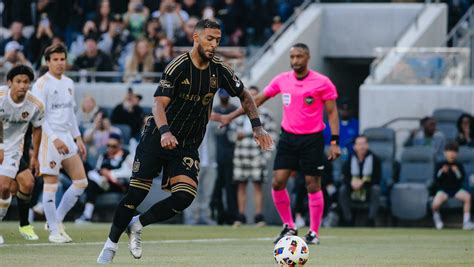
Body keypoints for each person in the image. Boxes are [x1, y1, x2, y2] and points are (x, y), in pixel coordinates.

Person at [97, 19, 272, 264]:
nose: (214, 44)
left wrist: (257, 127)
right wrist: (166, 132)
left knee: (185, 196)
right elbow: (158, 104)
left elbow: (245, 95)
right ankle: (110, 245)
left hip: (187, 144)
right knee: (136, 193)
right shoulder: (177, 66)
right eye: (209, 38)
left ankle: (137, 224)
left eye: (218, 40)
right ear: (196, 37)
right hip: (158, 136)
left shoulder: (220, 69)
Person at [215, 43, 341, 245]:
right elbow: (257, 100)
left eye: (299, 57)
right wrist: (231, 116)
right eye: (292, 57)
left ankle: (314, 232)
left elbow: (333, 112)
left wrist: (335, 141)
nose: (295, 61)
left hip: (312, 139)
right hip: (288, 138)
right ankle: (289, 226)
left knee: (312, 184)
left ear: (307, 57)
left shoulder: (322, 82)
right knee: (277, 182)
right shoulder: (282, 80)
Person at [32, 43, 88, 243]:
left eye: (62, 59)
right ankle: (54, 232)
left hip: (66, 137)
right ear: (47, 62)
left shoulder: (69, 83)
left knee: (81, 182)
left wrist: (78, 137)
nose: (59, 63)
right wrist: (54, 139)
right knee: (51, 184)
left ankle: (55, 220)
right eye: (55, 60)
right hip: (49, 138)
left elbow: (71, 114)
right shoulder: (41, 84)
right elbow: (38, 117)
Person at [0, 65, 48, 244]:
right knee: (5, 187)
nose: (22, 85)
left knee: (24, 184)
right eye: (18, 81)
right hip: (1, 146)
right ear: (9, 82)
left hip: (14, 150)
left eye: (26, 82)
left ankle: (24, 224)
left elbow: (37, 129)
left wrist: (35, 157)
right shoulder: (1, 97)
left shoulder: (35, 105)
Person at [230, 85, 277, 227]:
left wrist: (266, 156)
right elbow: (230, 135)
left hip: (257, 155)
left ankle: (258, 217)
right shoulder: (238, 114)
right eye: (248, 96)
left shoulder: (266, 115)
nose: (251, 99)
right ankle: (241, 216)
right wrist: (236, 136)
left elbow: (273, 135)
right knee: (241, 185)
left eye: (254, 96)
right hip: (241, 154)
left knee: (257, 186)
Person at [76, 133, 133, 223]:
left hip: (118, 184)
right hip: (103, 183)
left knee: (92, 178)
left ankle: (87, 214)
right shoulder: (104, 155)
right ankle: (87, 215)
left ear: (120, 145)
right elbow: (98, 169)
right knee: (91, 181)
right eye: (108, 145)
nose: (110, 148)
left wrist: (109, 173)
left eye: (113, 146)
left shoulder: (127, 155)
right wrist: (101, 175)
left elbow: (127, 173)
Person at [338, 135, 381, 227]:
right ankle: (348, 220)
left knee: (376, 189)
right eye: (359, 144)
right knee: (343, 189)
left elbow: (377, 178)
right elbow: (344, 176)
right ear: (355, 147)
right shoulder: (350, 159)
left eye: (364, 144)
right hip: (352, 188)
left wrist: (363, 183)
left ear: (368, 145)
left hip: (368, 188)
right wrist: (351, 183)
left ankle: (371, 219)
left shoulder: (375, 159)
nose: (362, 146)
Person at [210, 89, 238, 225]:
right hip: (217, 154)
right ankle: (220, 215)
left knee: (231, 187)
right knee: (217, 188)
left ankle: (233, 216)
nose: (224, 98)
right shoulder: (214, 110)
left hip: (231, 154)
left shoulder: (234, 110)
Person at [432, 142, 474, 230]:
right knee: (435, 204)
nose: (452, 154)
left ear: (457, 154)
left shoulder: (458, 165)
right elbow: (436, 179)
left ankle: (466, 222)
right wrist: (442, 172)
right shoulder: (440, 164)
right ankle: (438, 221)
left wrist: (456, 172)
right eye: (449, 151)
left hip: (456, 190)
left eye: (454, 152)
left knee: (467, 197)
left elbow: (461, 179)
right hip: (443, 190)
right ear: (445, 153)